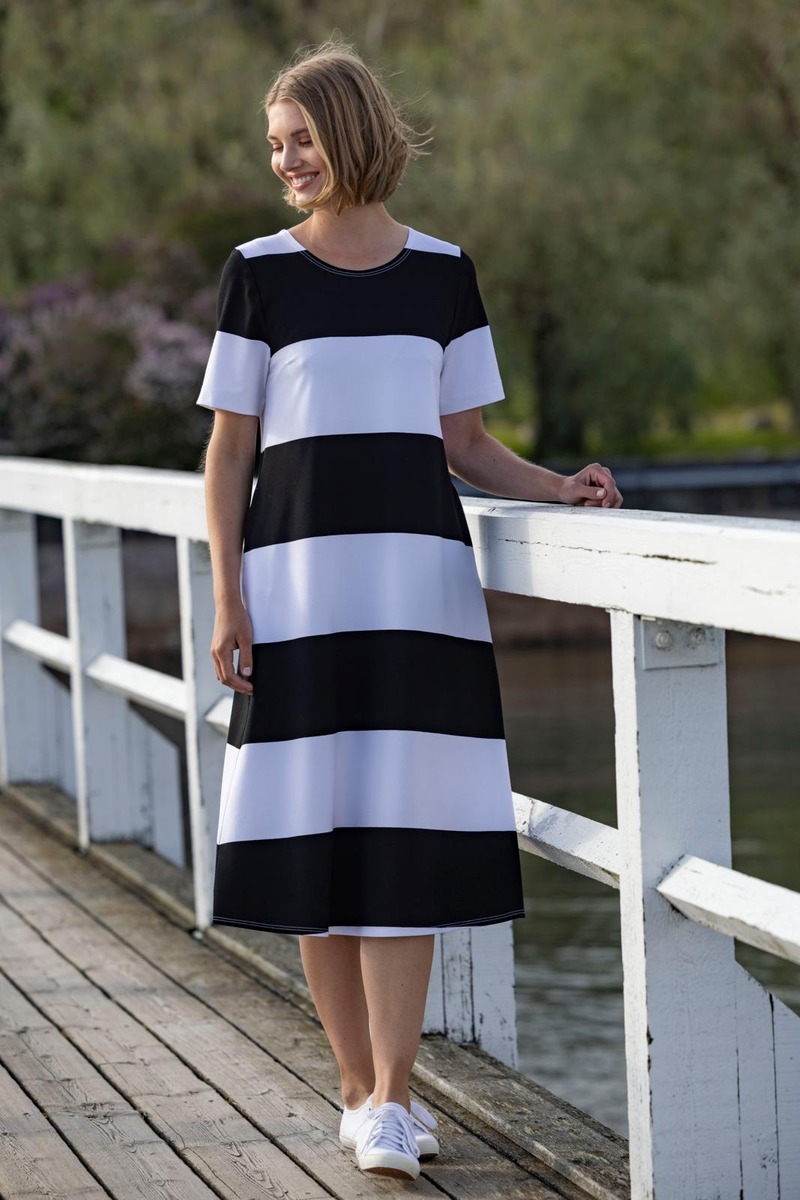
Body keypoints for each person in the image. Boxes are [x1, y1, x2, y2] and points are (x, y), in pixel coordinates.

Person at [196, 39, 623, 1183]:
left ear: (350, 132)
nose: (285, 160)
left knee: (401, 841)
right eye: (274, 144)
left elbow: (465, 443)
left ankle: (393, 1094)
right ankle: (357, 1092)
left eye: (300, 137)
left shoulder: (442, 273)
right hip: (293, 596)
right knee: (310, 836)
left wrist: (558, 488)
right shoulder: (256, 274)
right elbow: (228, 453)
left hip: (416, 599)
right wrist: (229, 598)